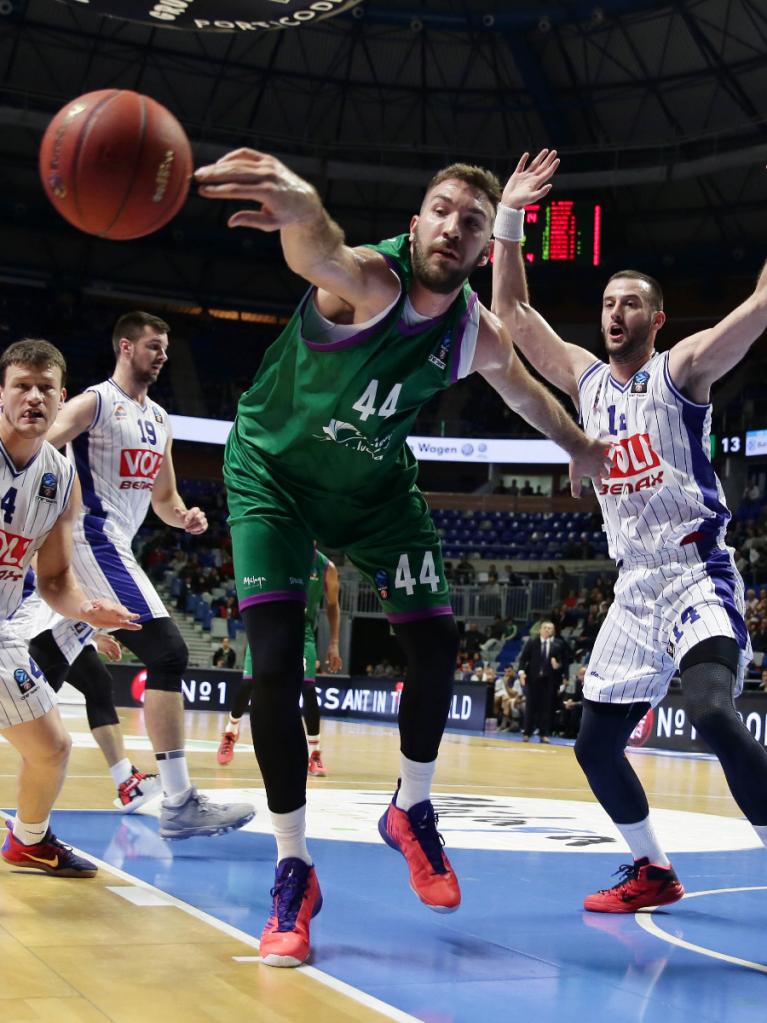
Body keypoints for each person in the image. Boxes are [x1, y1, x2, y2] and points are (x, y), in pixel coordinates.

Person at [195, 146, 609, 966]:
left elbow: (526, 389)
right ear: (414, 221)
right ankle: (294, 869)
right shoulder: (369, 282)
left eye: (473, 222)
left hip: (377, 489)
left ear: (486, 247)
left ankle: (408, 809)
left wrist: (577, 444)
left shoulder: (471, 331)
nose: (454, 228)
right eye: (443, 210)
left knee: (435, 639)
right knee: (276, 667)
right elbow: (319, 250)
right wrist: (304, 202)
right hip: (272, 474)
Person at [492, 147, 767, 912]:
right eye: (608, 301)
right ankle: (652, 869)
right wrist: (510, 217)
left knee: (711, 708)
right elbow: (510, 315)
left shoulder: (681, 371)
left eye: (630, 303)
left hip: (695, 572)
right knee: (592, 745)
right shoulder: (582, 378)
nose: (615, 312)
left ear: (655, 317)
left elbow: (756, 309)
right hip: (632, 589)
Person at [40, 312, 255, 840]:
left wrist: (184, 516)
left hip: (116, 545)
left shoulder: (160, 419)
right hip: (92, 538)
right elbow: (44, 436)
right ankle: (179, 800)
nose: (162, 356)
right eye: (153, 346)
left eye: (166, 348)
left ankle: (104, 795)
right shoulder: (94, 400)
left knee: (44, 661)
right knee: (168, 653)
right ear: (125, 346)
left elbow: (163, 497)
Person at [0, 339, 142, 878]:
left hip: (4, 625)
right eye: (22, 386)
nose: (34, 397)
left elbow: (55, 578)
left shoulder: (60, 478)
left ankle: (28, 841)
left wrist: (88, 608)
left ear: (62, 400)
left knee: (52, 748)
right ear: (2, 395)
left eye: (45, 388)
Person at [14, 573, 161, 812]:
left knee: (99, 684)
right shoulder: (47, 543)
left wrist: (91, 634)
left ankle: (127, 782)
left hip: (66, 626)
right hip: (38, 631)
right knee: (39, 731)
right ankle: (29, 820)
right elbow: (55, 586)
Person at [216, 546, 343, 775]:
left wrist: (333, 644)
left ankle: (314, 754)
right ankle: (230, 732)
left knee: (308, 688)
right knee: (249, 684)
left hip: (301, 631)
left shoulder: (326, 568)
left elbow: (333, 605)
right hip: (267, 624)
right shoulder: (279, 551)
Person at [517, 620, 568, 743]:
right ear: (540, 629)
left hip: (549, 680)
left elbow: (564, 662)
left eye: (550, 628)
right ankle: (527, 733)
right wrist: (521, 672)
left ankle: (544, 734)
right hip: (533, 679)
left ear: (553, 631)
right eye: (545, 627)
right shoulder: (532, 642)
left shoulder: (558, 644)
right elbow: (523, 659)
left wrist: (559, 667)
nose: (547, 630)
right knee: (530, 706)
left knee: (546, 708)